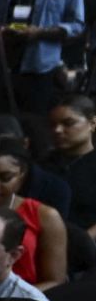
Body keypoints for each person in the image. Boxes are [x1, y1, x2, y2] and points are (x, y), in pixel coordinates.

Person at [0, 138, 68, 286]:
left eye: (5, 178)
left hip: (24, 299)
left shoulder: (44, 215)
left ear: (21, 175)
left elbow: (55, 280)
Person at [2, 0, 86, 113]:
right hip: (6, 60)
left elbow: (77, 25)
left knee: (35, 121)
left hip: (42, 64)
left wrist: (40, 32)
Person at [40, 95, 96, 231]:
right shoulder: (42, 165)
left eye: (68, 123)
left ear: (92, 124)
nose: (57, 130)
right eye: (53, 125)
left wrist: (85, 241)